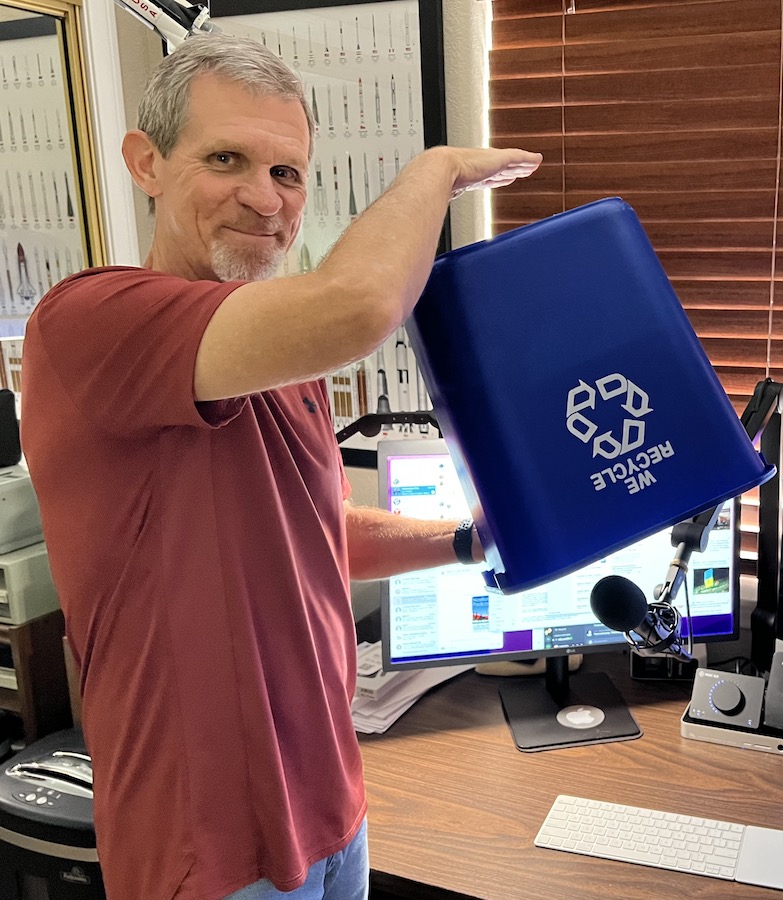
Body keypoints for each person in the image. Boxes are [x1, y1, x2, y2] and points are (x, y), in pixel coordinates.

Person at [20, 33, 540, 900]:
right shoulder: (90, 321)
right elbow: (360, 304)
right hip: (208, 852)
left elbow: (319, 533)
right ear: (146, 163)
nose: (265, 200)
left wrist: (468, 539)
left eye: (287, 173)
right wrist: (437, 169)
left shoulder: (283, 358)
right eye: (227, 158)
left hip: (334, 809)